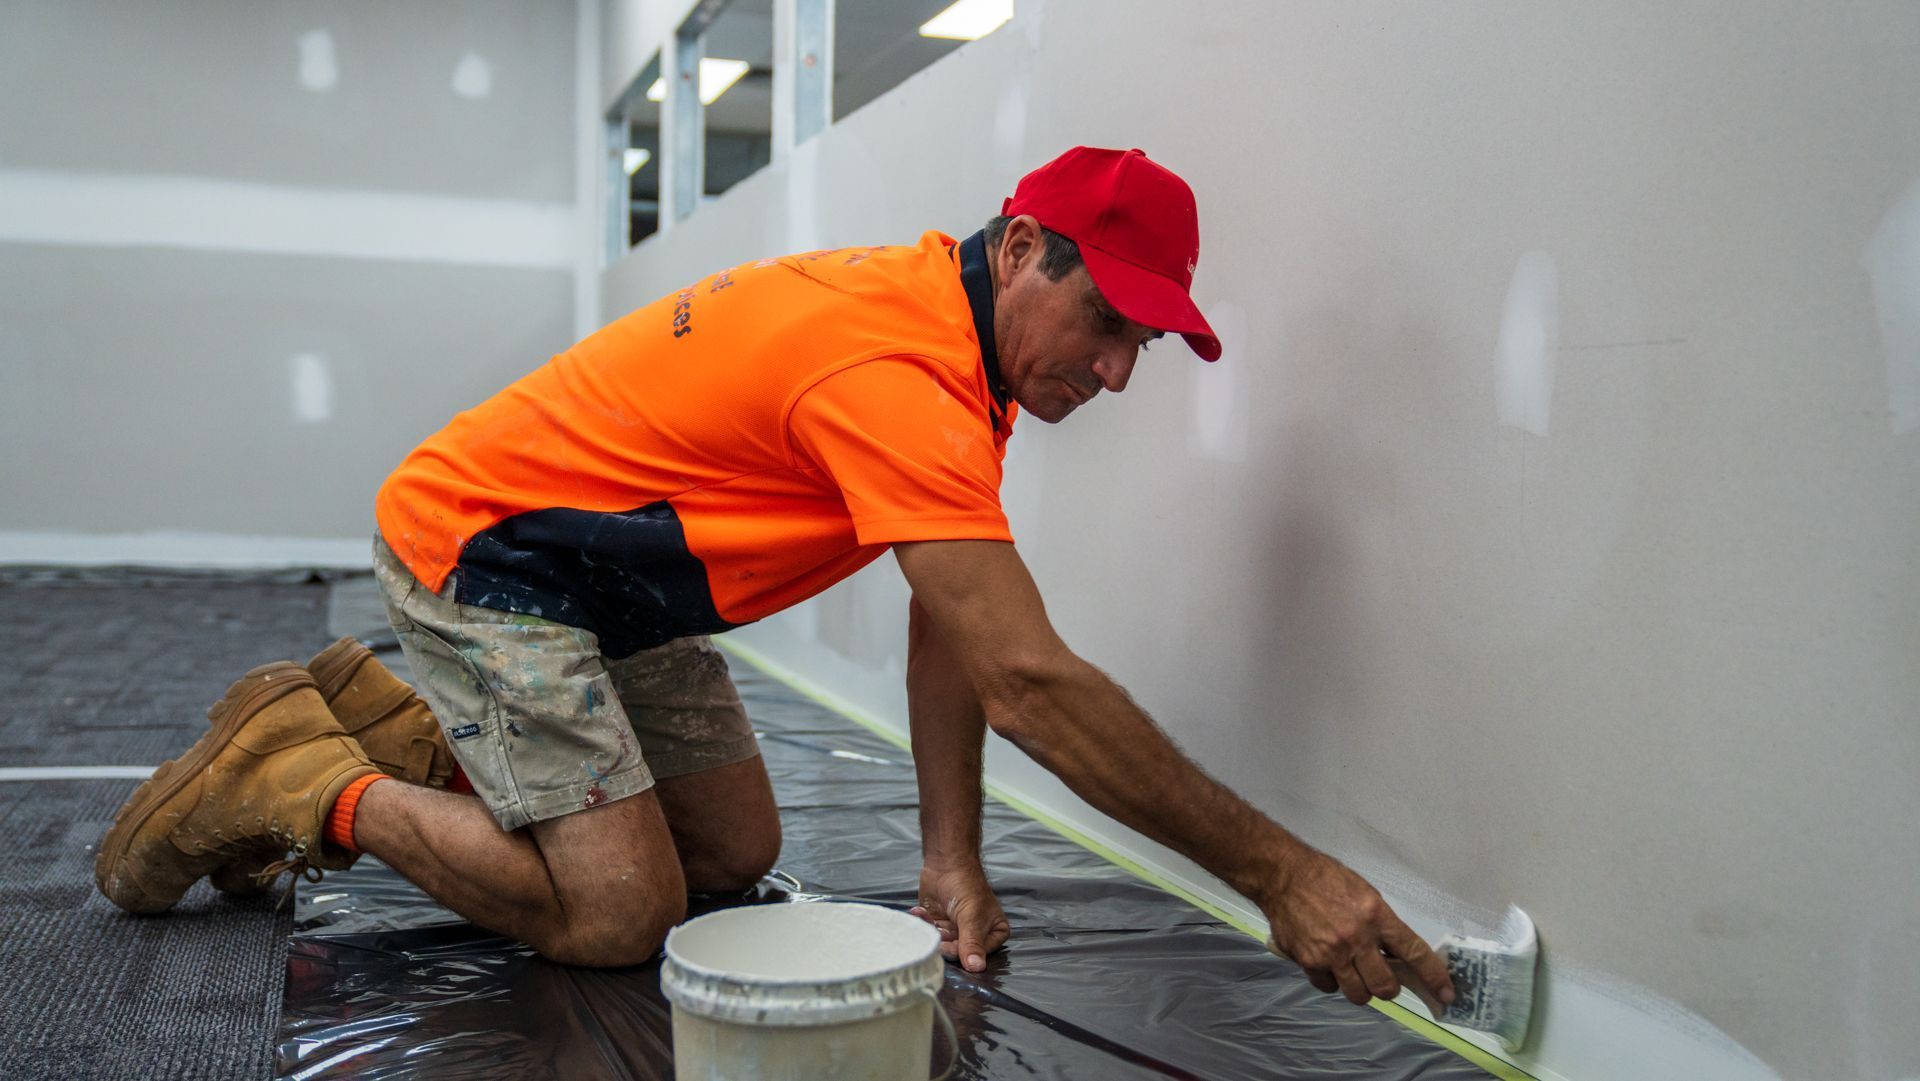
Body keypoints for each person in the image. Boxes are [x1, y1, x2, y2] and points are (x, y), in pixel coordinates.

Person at [96, 146, 1455, 1011]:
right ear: (1022, 249)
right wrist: (1283, 873)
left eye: (1140, 346)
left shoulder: (956, 346)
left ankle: (398, 725)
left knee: (735, 852)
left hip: (607, 579)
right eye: (1106, 320)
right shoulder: (899, 373)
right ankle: (300, 777)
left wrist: (948, 858)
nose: (1112, 369)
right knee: (619, 915)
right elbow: (1027, 680)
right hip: (488, 552)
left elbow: (954, 623)